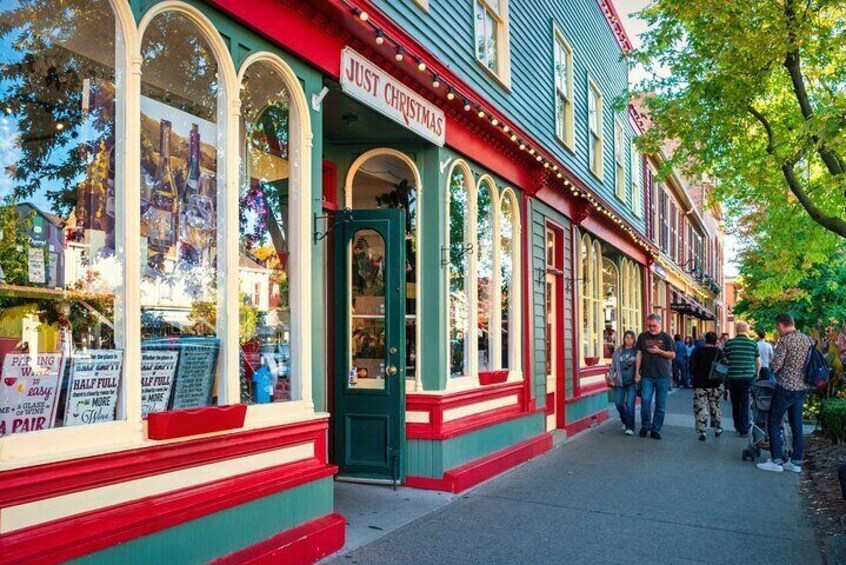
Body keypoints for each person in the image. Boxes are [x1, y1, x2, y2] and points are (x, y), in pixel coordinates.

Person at [758, 313, 813, 473]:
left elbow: (776, 364)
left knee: (774, 421)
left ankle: (776, 460)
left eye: (777, 328)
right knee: (797, 424)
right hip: (802, 387)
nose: (778, 331)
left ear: (781, 325)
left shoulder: (786, 341)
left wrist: (767, 373)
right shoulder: (807, 339)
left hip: (786, 386)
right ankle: (795, 461)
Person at [635, 313, 675, 440]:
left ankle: (655, 429)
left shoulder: (666, 337)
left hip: (663, 375)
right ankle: (646, 425)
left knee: (660, 404)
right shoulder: (642, 336)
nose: (651, 328)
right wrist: (637, 372)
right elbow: (639, 354)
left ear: (659, 324)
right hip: (647, 375)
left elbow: (672, 355)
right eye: (649, 326)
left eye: (654, 326)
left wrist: (659, 351)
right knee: (645, 401)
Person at [723, 322, 760, 437]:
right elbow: (758, 362)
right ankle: (744, 428)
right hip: (748, 378)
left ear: (736, 329)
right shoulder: (753, 344)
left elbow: (725, 361)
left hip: (733, 377)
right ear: (747, 330)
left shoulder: (729, 343)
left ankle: (737, 425)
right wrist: (756, 374)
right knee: (745, 403)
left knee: (735, 403)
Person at [689, 331, 724, 441]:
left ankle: (702, 431)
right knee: (715, 405)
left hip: (700, 383)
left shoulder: (698, 351)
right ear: (715, 341)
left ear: (705, 340)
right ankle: (717, 428)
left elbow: (692, 368)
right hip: (715, 384)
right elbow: (723, 369)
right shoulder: (719, 352)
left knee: (701, 406)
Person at [607, 330, 638, 435]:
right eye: (627, 337)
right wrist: (610, 378)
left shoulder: (636, 351)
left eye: (631, 338)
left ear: (634, 340)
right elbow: (612, 367)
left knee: (630, 405)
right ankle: (625, 420)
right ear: (624, 339)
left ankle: (630, 427)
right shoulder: (619, 351)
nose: (629, 340)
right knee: (619, 403)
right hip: (620, 382)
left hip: (632, 383)